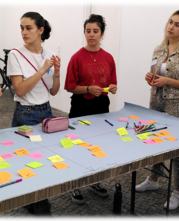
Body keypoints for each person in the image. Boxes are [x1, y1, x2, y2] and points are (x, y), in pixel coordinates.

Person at [135, 9, 179, 211]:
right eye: (170, 22)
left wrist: (168, 81)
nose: (171, 27)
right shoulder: (159, 48)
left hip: (176, 105)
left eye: (177, 24)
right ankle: (154, 179)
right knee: (155, 141)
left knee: (178, 151)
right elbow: (155, 74)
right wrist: (150, 78)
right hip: (156, 101)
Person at [7, 12, 60, 221]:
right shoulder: (15, 55)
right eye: (21, 27)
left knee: (45, 159)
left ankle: (32, 200)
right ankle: (43, 214)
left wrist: (56, 72)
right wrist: (43, 69)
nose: (23, 32)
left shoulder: (50, 53)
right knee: (30, 161)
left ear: (40, 30)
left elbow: (54, 91)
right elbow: (19, 90)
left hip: (46, 111)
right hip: (26, 113)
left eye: (28, 28)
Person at [64, 14, 117, 205]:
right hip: (81, 105)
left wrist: (111, 88)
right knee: (77, 145)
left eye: (95, 31)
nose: (91, 35)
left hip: (101, 106)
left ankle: (94, 181)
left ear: (102, 33)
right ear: (84, 33)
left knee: (98, 146)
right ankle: (74, 184)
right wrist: (87, 88)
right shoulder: (77, 57)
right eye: (88, 31)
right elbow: (70, 86)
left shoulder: (109, 58)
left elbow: (112, 83)